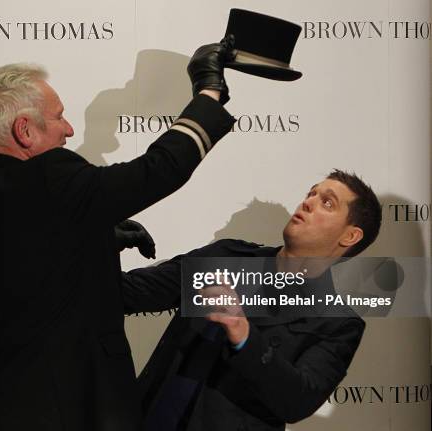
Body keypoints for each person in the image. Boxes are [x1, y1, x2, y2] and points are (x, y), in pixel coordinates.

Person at [0, 41, 237, 431]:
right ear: (25, 130)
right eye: (59, 117)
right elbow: (158, 170)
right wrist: (208, 93)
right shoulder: (50, 178)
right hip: (72, 408)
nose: (69, 129)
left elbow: (30, 263)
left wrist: (95, 233)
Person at [121, 170, 382, 431]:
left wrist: (244, 335)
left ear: (349, 236)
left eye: (327, 202)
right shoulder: (224, 257)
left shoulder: (337, 323)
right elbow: (131, 294)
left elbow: (297, 402)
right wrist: (97, 238)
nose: (308, 202)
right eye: (311, 193)